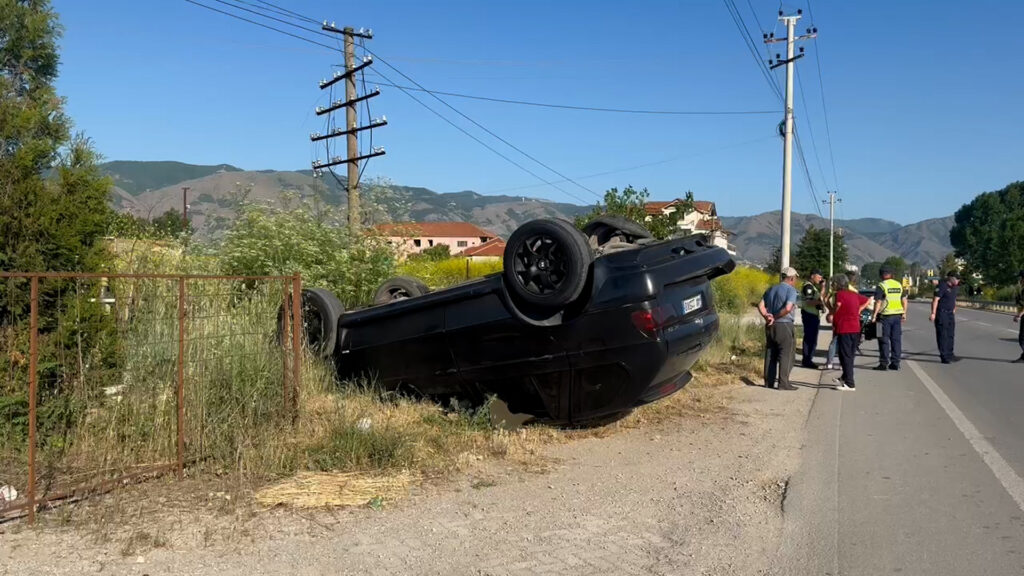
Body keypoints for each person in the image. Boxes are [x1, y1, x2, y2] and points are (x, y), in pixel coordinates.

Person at [758, 266, 800, 391]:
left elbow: (760, 305)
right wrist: (775, 317)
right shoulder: (791, 291)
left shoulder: (771, 289)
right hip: (784, 324)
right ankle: (783, 383)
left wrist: (767, 316)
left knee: (771, 352)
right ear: (791, 278)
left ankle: (768, 381)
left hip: (770, 326)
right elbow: (788, 308)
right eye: (795, 278)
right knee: (787, 353)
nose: (796, 280)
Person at [830, 273, 872, 391]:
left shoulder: (839, 294)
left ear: (837, 284)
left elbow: (838, 306)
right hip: (855, 328)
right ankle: (845, 377)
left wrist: (831, 312)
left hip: (845, 328)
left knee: (845, 355)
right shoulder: (853, 294)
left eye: (833, 283)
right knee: (849, 354)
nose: (832, 285)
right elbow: (868, 300)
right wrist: (859, 309)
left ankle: (850, 383)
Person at [872, 267, 908, 371]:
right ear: (891, 274)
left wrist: (874, 316)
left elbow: (878, 302)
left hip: (884, 317)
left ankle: (883, 364)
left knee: (883, 339)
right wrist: (904, 313)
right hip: (897, 316)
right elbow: (905, 300)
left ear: (882, 275)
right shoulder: (898, 285)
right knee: (896, 340)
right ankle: (895, 363)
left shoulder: (881, 285)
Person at [930, 270, 960, 364]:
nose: (958, 280)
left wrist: (954, 308)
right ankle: (944, 356)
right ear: (950, 278)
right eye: (956, 278)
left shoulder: (955, 287)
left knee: (950, 334)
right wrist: (933, 313)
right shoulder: (942, 286)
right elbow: (935, 300)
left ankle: (950, 354)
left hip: (950, 313)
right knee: (943, 335)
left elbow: (954, 299)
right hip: (941, 313)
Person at [800, 270, 825, 369]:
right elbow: (809, 302)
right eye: (819, 277)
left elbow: (819, 299)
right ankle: (807, 360)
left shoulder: (813, 287)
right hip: (809, 314)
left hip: (813, 315)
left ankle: (808, 359)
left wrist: (822, 289)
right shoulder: (808, 287)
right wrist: (819, 302)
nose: (820, 279)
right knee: (809, 338)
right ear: (812, 276)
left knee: (813, 339)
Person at [1013, 270, 1024, 363]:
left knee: (1022, 338)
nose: (1019, 279)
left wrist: (1019, 315)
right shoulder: (1021, 287)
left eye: (1020, 277)